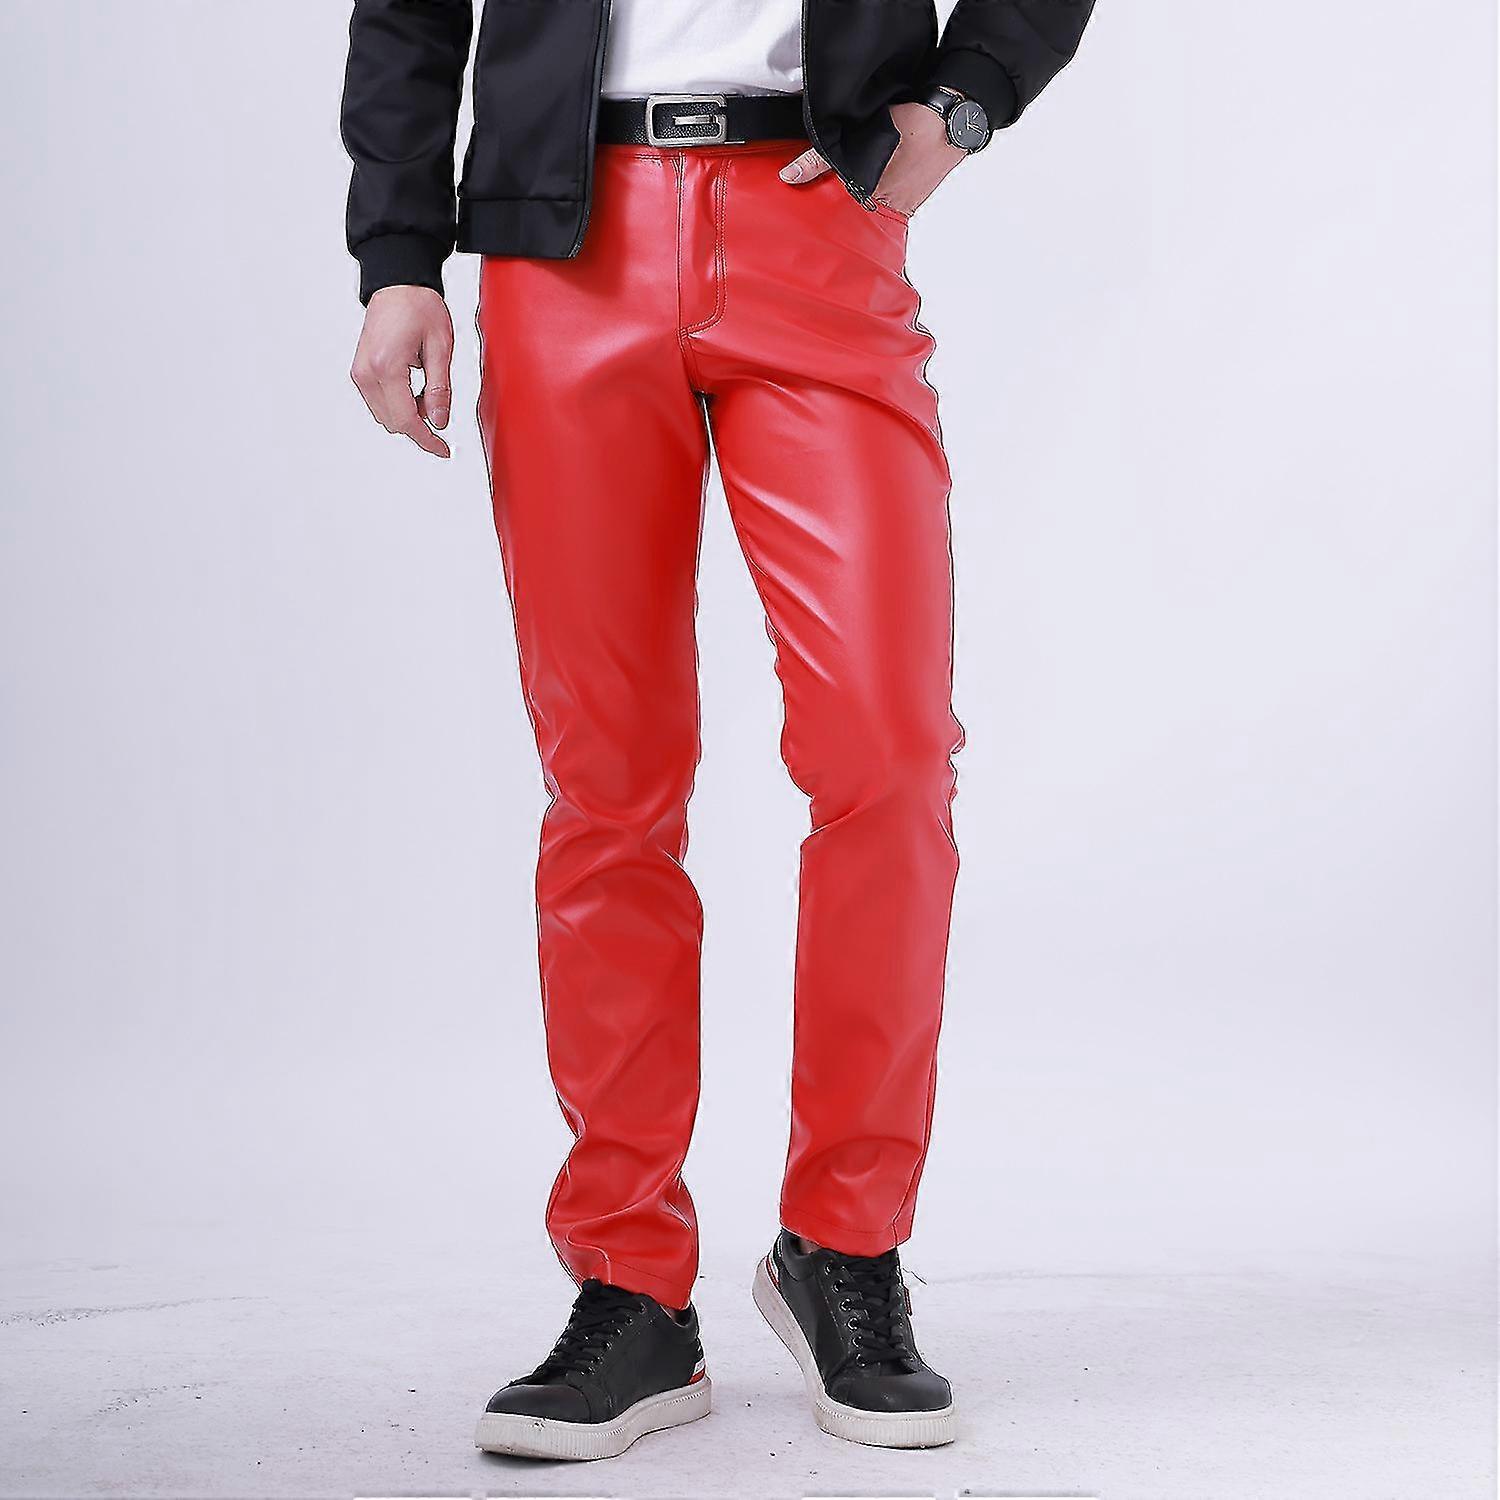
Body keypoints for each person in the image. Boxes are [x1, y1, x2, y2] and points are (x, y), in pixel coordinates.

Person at [341, 0, 1095, 1461]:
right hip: (563, 240)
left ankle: (844, 1246)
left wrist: (970, 96)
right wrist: (397, 256)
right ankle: (631, 1287)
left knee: (890, 754)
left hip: (818, 212)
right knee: (607, 784)